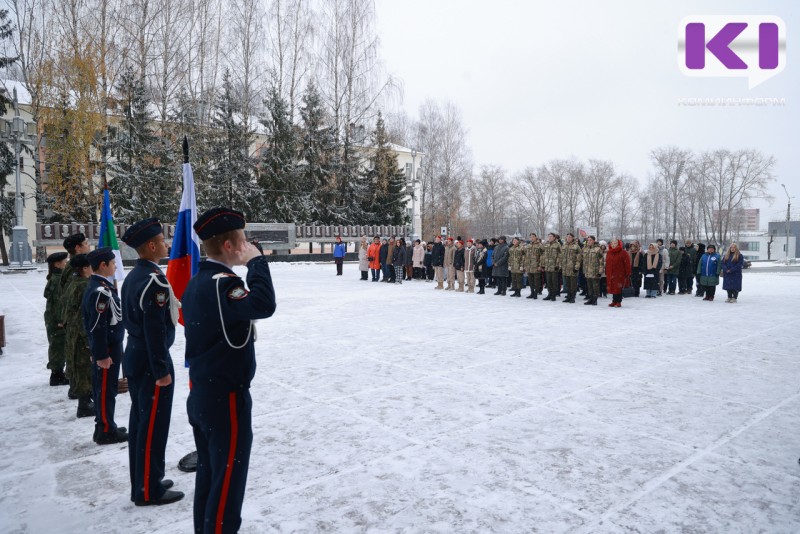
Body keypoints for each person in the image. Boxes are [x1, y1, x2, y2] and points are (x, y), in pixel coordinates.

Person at [182, 207, 277, 534]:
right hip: (225, 399)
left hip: (204, 393)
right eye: (242, 240)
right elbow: (264, 305)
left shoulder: (199, 281)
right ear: (228, 246)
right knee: (227, 488)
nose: (247, 244)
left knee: (210, 478)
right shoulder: (223, 284)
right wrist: (256, 262)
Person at [120, 218, 185, 506]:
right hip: (150, 362)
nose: (166, 244)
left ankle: (146, 479)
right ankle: (148, 489)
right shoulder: (153, 281)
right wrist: (161, 370)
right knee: (152, 427)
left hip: (136, 355)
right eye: (161, 240)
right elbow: (155, 329)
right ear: (150, 245)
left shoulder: (136, 276)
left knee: (141, 423)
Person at [83, 247, 128, 444]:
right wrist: (101, 354)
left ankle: (105, 423)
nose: (115, 266)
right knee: (105, 389)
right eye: (113, 263)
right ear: (103, 265)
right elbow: (97, 325)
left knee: (106, 388)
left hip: (109, 345)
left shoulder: (102, 287)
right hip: (107, 348)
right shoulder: (100, 292)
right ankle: (106, 430)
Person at [62, 254, 95, 418]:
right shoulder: (83, 286)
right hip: (81, 334)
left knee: (79, 367)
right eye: (90, 265)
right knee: (83, 368)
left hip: (73, 332)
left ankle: (86, 400)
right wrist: (88, 339)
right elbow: (83, 315)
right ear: (84, 268)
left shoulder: (74, 283)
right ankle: (84, 405)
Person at [59, 233, 91, 399]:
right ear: (78, 247)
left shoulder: (74, 267)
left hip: (70, 317)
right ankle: (80, 390)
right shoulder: (75, 269)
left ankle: (76, 387)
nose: (88, 245)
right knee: (79, 356)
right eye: (86, 243)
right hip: (75, 318)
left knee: (74, 352)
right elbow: (70, 294)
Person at [44, 251, 70, 386]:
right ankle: (57, 375)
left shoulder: (55, 277)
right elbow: (59, 302)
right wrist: (61, 320)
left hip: (52, 318)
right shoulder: (58, 279)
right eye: (65, 262)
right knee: (58, 346)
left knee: (57, 345)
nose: (66, 264)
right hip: (57, 320)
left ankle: (58, 373)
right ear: (57, 264)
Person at [605, 238, 632, 308]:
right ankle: (614, 301)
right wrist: (606, 271)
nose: (613, 245)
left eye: (615, 243)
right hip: (610, 273)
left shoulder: (623, 252)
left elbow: (627, 263)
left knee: (618, 287)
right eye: (612, 243)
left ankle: (618, 302)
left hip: (619, 273)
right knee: (613, 287)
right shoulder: (609, 252)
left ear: (618, 244)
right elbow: (607, 263)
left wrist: (627, 272)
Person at [560, 233, 581, 303]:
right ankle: (568, 296)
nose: (568, 238)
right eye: (567, 237)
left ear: (573, 238)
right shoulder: (564, 246)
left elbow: (579, 258)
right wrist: (561, 266)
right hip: (565, 268)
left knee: (573, 284)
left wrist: (576, 267)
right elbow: (561, 257)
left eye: (570, 237)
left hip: (572, 268)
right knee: (567, 284)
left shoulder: (576, 246)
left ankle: (573, 297)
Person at [581, 236, 603, 306]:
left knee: (595, 286)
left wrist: (600, 271)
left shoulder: (598, 249)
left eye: (590, 240)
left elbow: (601, 261)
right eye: (588, 240)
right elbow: (583, 259)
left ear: (594, 241)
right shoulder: (585, 249)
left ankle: (595, 299)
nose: (589, 241)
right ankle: (590, 298)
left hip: (595, 270)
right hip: (587, 270)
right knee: (589, 286)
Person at [541, 233, 562, 301]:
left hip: (554, 266)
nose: (549, 238)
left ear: (554, 237)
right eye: (548, 236)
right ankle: (549, 294)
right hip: (547, 266)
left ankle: (554, 295)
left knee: (554, 281)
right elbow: (543, 254)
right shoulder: (546, 244)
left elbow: (560, 255)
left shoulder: (557, 244)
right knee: (548, 281)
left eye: (551, 236)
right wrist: (543, 264)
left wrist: (557, 264)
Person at [524, 233, 543, 299]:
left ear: (536, 237)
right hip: (529, 266)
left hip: (536, 266)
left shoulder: (540, 245)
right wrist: (525, 265)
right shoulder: (528, 246)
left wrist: (540, 265)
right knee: (531, 281)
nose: (532, 238)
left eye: (533, 237)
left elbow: (542, 256)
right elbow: (526, 256)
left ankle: (536, 293)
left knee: (536, 281)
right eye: (531, 237)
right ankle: (532, 292)